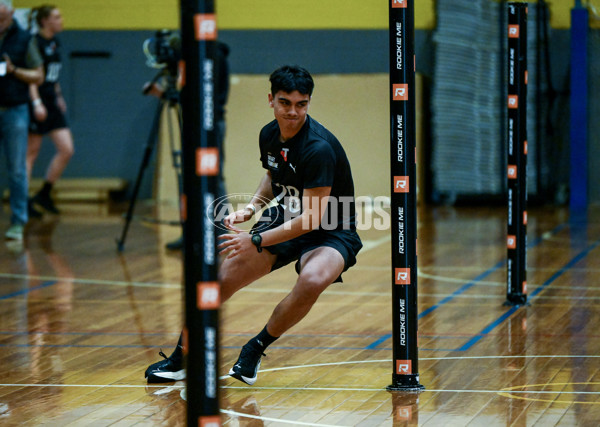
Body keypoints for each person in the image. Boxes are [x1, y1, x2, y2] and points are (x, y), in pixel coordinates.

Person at [145, 65, 362, 385]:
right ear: (271, 100)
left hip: (331, 228)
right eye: (285, 102)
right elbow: (273, 177)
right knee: (219, 281)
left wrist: (257, 239)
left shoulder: (319, 148)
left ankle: (255, 347)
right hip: (286, 216)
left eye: (301, 104)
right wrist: (251, 209)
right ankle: (182, 357)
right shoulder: (269, 134)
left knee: (313, 279)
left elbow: (312, 219)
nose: (293, 111)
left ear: (309, 103)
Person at [0, 0, 44, 241]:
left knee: (16, 169)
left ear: (11, 13)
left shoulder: (25, 39)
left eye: (2, 18)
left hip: (15, 110)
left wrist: (14, 70)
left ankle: (18, 221)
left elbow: (39, 75)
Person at [26, 5, 73, 217]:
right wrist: (36, 103)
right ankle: (24, 201)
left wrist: (59, 95)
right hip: (37, 102)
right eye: (56, 16)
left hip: (52, 101)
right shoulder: (34, 43)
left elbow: (52, 75)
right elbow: (33, 77)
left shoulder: (55, 42)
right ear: (44, 21)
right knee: (31, 153)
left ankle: (44, 194)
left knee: (66, 149)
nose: (61, 19)